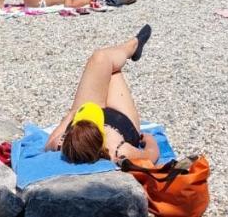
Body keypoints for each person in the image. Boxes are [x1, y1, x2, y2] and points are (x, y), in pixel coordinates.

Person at [45, 26, 162, 165]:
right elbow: (151, 155)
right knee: (112, 69)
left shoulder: (62, 143)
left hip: (85, 116)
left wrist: (74, 113)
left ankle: (131, 46)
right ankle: (133, 45)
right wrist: (149, 139)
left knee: (100, 58)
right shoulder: (119, 150)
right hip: (122, 118)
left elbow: (48, 145)